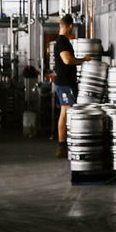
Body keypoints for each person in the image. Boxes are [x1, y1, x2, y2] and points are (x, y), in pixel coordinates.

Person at [50, 15, 79, 154]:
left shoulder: (61, 41)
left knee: (66, 112)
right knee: (66, 112)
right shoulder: (62, 41)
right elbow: (67, 60)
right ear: (70, 26)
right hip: (65, 84)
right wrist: (83, 60)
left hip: (65, 83)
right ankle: (62, 146)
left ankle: (64, 144)